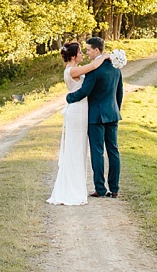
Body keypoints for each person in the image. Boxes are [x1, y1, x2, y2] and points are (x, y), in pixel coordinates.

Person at [47, 41, 112, 205]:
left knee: (79, 148)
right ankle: (72, 189)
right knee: (75, 149)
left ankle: (75, 186)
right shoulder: (73, 70)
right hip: (77, 111)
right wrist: (105, 56)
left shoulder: (72, 69)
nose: (83, 54)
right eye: (81, 52)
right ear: (74, 56)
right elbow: (94, 65)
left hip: (81, 111)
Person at [65, 36, 123, 198]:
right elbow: (119, 92)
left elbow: (85, 91)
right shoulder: (115, 67)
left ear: (97, 50)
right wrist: (116, 110)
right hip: (112, 114)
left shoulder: (93, 70)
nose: (87, 53)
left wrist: (69, 98)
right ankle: (115, 188)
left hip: (96, 116)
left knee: (97, 152)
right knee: (113, 151)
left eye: (89, 49)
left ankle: (100, 189)